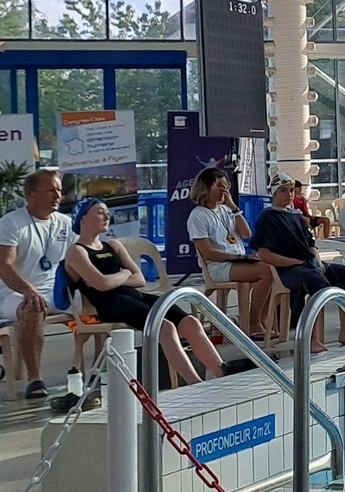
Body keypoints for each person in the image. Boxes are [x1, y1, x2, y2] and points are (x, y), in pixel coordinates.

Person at [63, 198, 226, 390]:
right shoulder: (76, 252)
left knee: (191, 322)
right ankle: (196, 385)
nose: (107, 217)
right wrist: (125, 273)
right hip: (110, 305)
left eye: (107, 212)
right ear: (82, 219)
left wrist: (116, 277)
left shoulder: (113, 245)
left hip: (135, 296)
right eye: (99, 212)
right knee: (164, 327)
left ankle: (223, 373)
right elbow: (102, 285)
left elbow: (139, 279)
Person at [251, 179, 345, 352]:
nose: (289, 194)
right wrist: (297, 262)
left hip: (308, 264)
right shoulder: (267, 217)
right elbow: (265, 255)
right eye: (283, 190)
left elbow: (311, 244)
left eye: (291, 190)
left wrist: (317, 260)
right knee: (317, 282)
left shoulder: (296, 215)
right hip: (287, 269)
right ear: (274, 193)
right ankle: (313, 339)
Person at [0, 170, 72, 399]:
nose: (57, 196)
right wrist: (28, 290)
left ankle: (99, 371)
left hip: (54, 291)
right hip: (14, 292)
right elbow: (4, 265)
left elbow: (79, 257)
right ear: (31, 194)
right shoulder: (12, 223)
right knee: (32, 307)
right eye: (51, 190)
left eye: (59, 190)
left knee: (100, 297)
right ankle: (35, 379)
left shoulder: (65, 222)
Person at [187, 167, 276, 341]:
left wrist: (234, 208)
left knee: (274, 269)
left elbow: (246, 234)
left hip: (238, 261)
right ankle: (252, 322)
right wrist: (240, 258)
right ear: (206, 188)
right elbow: (208, 253)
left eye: (226, 185)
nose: (225, 190)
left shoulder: (226, 210)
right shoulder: (197, 216)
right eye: (219, 186)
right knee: (266, 271)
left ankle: (261, 319)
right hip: (219, 266)